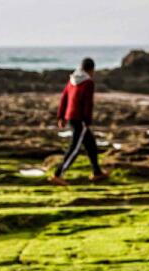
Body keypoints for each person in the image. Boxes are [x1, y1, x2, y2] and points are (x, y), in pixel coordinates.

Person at [51, 57, 108, 185]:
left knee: (91, 144)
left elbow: (64, 98)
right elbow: (88, 104)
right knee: (75, 149)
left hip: (71, 116)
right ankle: (58, 174)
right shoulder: (88, 82)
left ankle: (97, 172)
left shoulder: (72, 80)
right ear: (91, 69)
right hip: (80, 119)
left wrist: (61, 116)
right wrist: (87, 121)